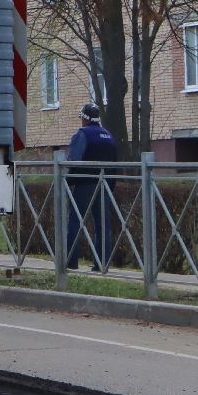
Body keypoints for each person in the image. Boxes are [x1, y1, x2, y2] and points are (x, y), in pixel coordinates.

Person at [66, 103, 118, 272]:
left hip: (84, 183)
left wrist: (68, 181)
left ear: (85, 118)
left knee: (75, 221)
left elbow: (74, 160)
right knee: (103, 225)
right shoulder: (108, 135)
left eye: (81, 117)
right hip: (105, 185)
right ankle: (102, 263)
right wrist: (111, 186)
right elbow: (115, 163)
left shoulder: (82, 134)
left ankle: (71, 261)